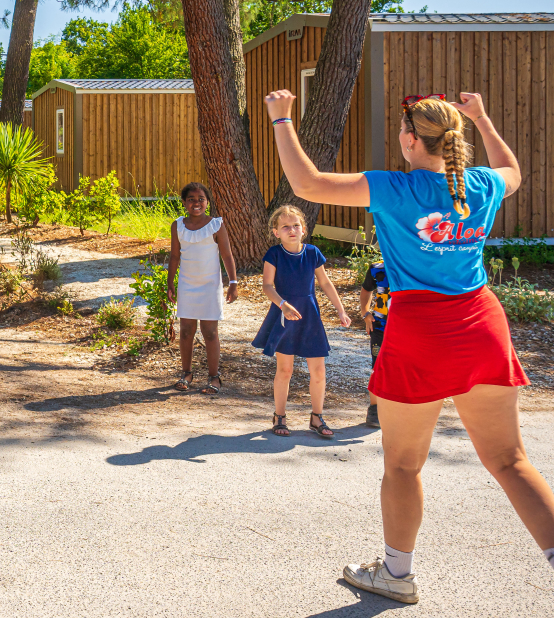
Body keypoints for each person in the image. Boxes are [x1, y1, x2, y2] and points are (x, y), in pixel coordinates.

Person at [264, 88, 554, 618]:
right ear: (454, 141)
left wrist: (282, 117)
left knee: (403, 465)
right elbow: (512, 168)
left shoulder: (394, 187)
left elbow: (306, 184)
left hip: (420, 330)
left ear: (409, 140)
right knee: (511, 461)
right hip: (480, 324)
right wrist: (483, 116)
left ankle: (397, 574)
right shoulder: (480, 185)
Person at [252, 205, 352, 438]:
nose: (291, 230)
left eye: (296, 225)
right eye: (285, 226)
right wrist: (282, 304)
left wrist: (340, 309)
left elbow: (325, 283)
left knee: (318, 371)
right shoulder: (274, 254)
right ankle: (280, 417)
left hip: (310, 316)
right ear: (276, 232)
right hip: (284, 314)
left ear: (304, 229)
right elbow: (267, 286)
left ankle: (316, 417)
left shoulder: (313, 253)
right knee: (285, 370)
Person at [166, 182, 238, 394]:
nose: (196, 203)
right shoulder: (177, 225)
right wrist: (170, 283)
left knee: (210, 332)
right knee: (186, 331)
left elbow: (227, 255)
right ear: (184, 202)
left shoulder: (216, 225)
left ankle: (214, 377)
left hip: (210, 285)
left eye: (200, 199)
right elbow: (174, 256)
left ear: (207, 202)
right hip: (187, 284)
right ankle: (186, 373)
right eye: (191, 199)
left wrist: (233, 283)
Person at [359, 260, 390, 428]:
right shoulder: (377, 268)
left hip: (407, 326)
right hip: (380, 326)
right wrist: (365, 313)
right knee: (377, 366)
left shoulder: (415, 265)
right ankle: (375, 408)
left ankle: (400, 406)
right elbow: (366, 290)